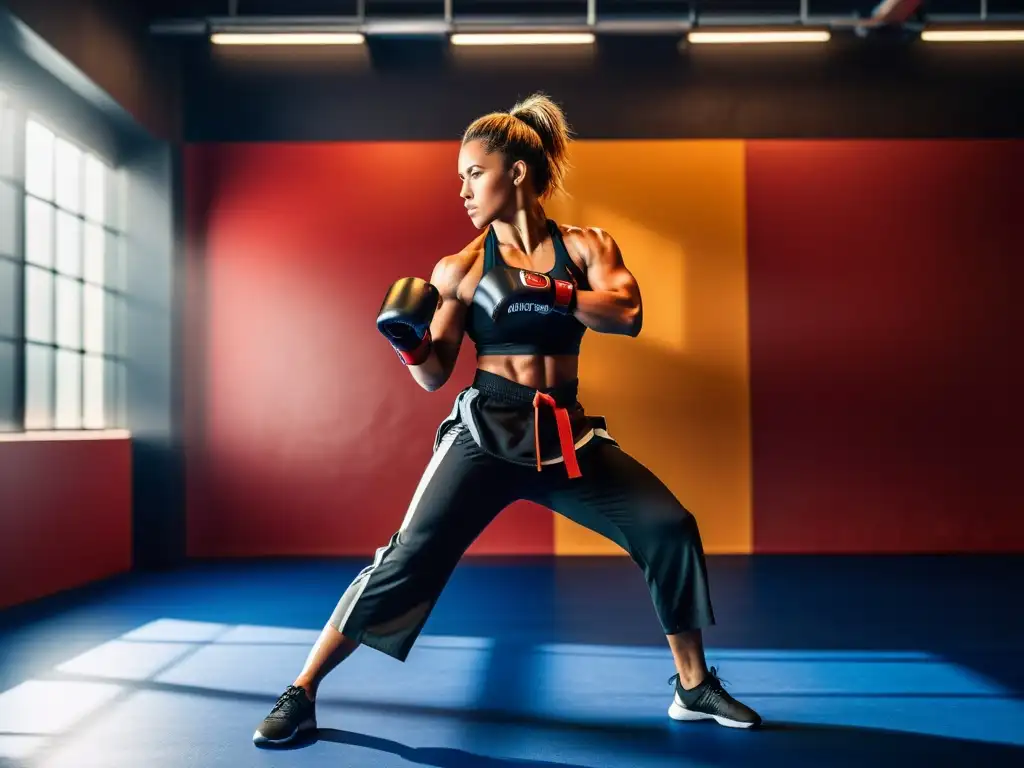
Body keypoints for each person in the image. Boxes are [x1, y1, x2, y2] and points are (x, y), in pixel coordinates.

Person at [253, 93, 762, 746]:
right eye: (460, 176)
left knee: (669, 527)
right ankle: (302, 690)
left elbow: (628, 315)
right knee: (405, 560)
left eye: (473, 172)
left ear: (515, 173)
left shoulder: (585, 246)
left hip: (564, 435)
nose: (462, 189)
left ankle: (692, 687)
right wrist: (407, 341)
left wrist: (545, 289)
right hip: (486, 434)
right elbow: (434, 373)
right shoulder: (460, 269)